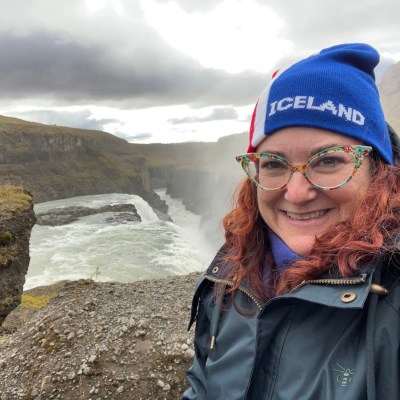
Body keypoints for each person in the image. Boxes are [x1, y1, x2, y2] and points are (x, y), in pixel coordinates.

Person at [182, 43, 400, 400]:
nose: (296, 193)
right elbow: (203, 383)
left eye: (328, 160)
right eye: (273, 163)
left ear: (378, 170)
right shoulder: (231, 275)